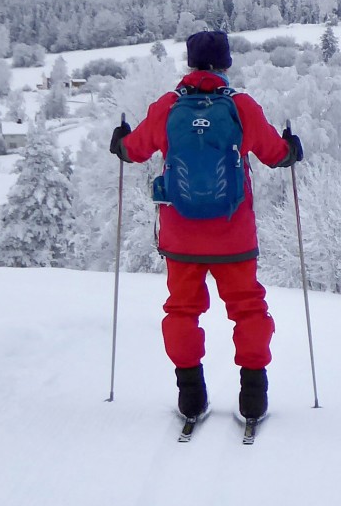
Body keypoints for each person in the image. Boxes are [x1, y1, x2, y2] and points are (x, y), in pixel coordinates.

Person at [109, 31, 302, 424]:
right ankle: (253, 396)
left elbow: (134, 150)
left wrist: (121, 141)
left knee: (181, 311)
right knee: (248, 310)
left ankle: (191, 396)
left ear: (190, 64)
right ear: (226, 65)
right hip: (234, 236)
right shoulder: (241, 107)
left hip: (181, 237)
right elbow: (274, 155)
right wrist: (291, 149)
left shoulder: (168, 106)